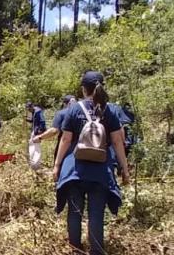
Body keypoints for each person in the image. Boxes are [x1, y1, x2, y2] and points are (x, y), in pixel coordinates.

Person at [53, 71, 130, 255]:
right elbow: (118, 141)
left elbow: (66, 139)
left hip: (74, 170)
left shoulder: (74, 109)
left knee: (75, 211)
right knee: (96, 213)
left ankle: (75, 249)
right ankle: (96, 250)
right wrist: (125, 169)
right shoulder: (110, 110)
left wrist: (56, 166)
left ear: (83, 89)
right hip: (101, 171)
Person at [32, 95, 75, 162]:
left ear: (64, 103)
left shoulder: (61, 113)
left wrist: (39, 137)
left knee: (60, 166)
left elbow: (54, 130)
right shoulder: (82, 112)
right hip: (81, 147)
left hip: (64, 147)